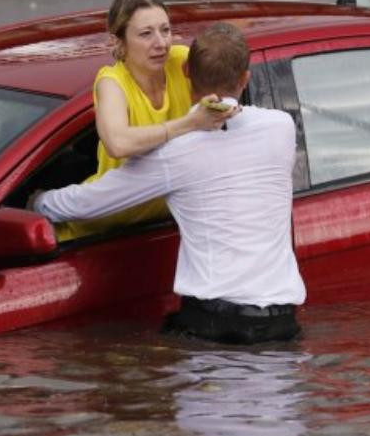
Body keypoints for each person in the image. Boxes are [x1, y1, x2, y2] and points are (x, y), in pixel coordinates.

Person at [34, 22, 305, 345]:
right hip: (282, 327)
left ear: (187, 71)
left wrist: (37, 201)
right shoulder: (282, 127)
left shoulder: (175, 154)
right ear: (245, 78)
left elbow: (88, 203)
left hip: (213, 326)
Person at [58, 0, 233, 240]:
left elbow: (228, 87)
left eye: (165, 30)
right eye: (146, 34)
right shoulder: (112, 82)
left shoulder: (181, 61)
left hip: (164, 227)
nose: (161, 43)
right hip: (97, 232)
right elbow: (118, 143)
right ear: (118, 42)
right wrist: (191, 123)